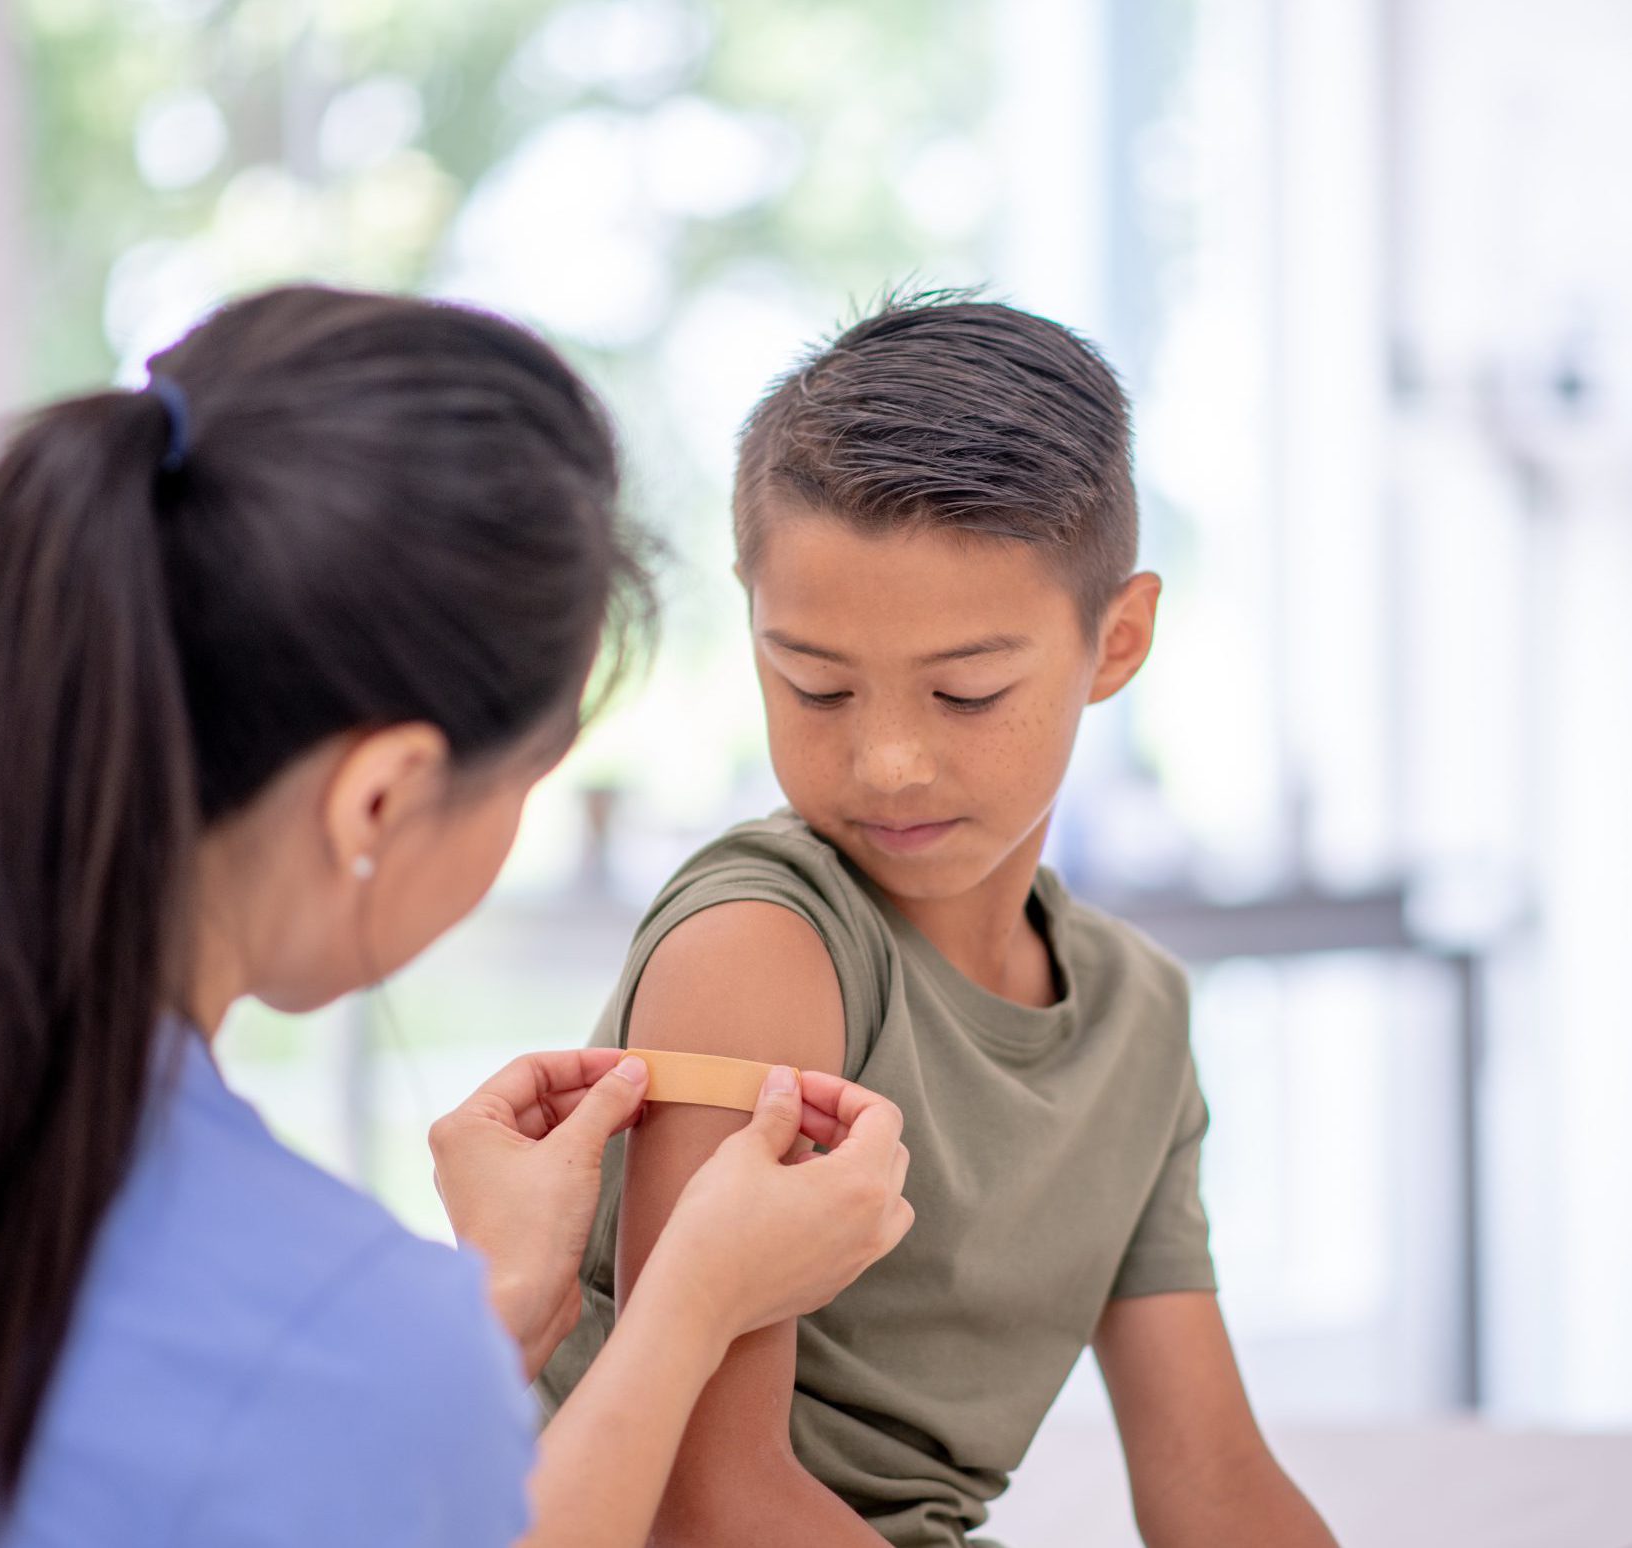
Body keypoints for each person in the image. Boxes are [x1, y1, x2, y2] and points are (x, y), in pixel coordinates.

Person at [0, 285, 913, 1548]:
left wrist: (476, 1321)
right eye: (525, 784)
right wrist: (687, 1312)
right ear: (379, 798)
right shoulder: (337, 1342)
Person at [535, 294, 1338, 1547]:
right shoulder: (759, 946)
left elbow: (1215, 1486)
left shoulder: (1134, 1017)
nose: (888, 761)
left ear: (1115, 640)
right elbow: (707, 1502)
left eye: (966, 693)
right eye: (815, 684)